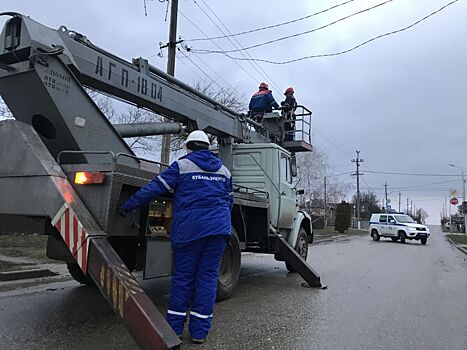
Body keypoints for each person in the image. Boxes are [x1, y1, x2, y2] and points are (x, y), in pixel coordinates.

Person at [120, 130, 233, 344]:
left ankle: (175, 330)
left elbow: (154, 188)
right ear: (207, 147)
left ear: (188, 147)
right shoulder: (224, 171)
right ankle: (199, 333)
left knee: (183, 279)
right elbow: (229, 202)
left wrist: (127, 206)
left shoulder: (182, 166)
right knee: (207, 278)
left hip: (190, 231)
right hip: (218, 231)